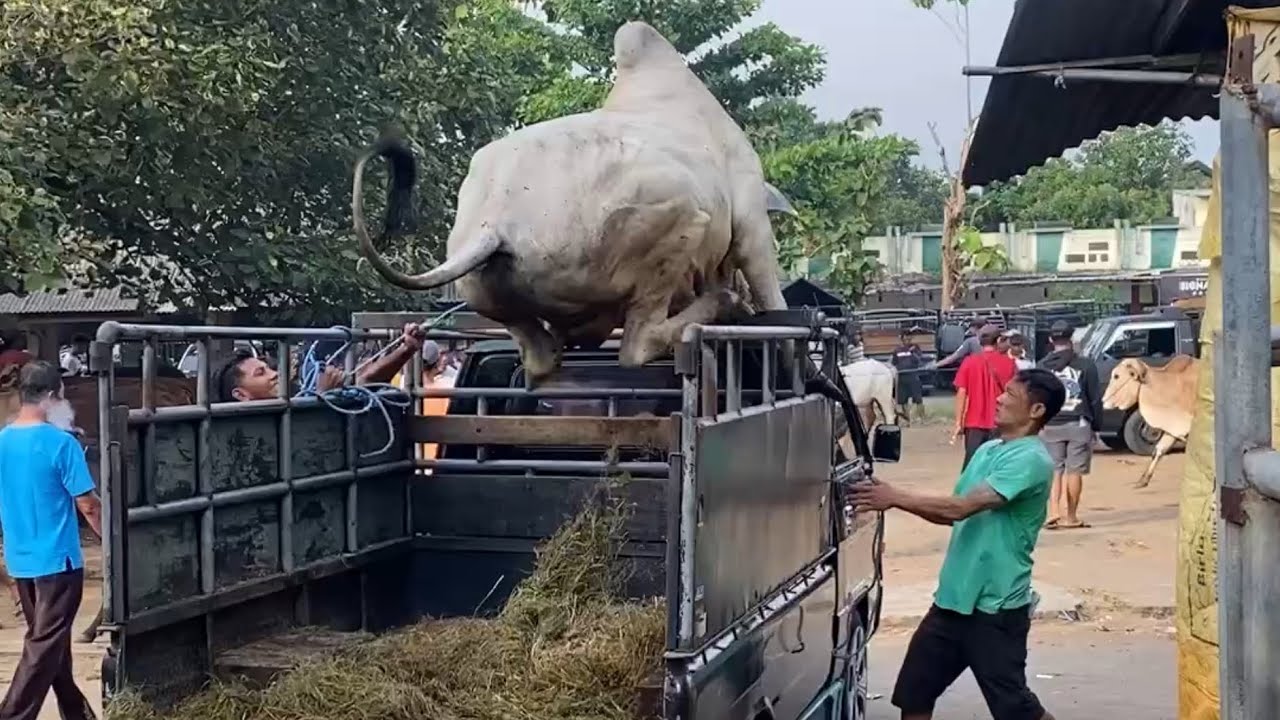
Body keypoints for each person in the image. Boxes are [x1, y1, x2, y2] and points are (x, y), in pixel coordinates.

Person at [849, 368, 1066, 720]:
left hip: (995, 607)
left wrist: (893, 496)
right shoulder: (989, 450)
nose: (999, 399)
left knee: (1015, 708)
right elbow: (950, 513)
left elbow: (964, 507)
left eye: (1010, 395)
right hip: (953, 601)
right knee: (913, 695)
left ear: (1036, 411)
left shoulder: (1031, 459)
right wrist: (891, 499)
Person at [0, 361, 101, 720]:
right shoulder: (62, 444)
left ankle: (76, 712)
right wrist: (115, 538)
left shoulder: (3, 440)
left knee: (50, 642)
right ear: (53, 395)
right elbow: (88, 504)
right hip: (58, 561)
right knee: (43, 646)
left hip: (21, 559)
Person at [217, 323, 424, 402]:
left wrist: (407, 348)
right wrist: (322, 398)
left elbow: (364, 384)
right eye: (260, 373)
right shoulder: (247, 429)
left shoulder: (295, 398)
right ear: (241, 394)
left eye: (269, 368)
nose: (274, 373)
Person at [1038, 320, 1103, 530]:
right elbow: (1094, 398)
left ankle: (1054, 511)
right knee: (1074, 471)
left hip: (1051, 424)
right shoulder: (1085, 365)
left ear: (1050, 340)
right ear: (1072, 339)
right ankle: (1071, 516)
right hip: (1079, 423)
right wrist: (1097, 426)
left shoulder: (1042, 366)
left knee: (1055, 469)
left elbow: (1038, 397)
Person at [952, 325, 1016, 469]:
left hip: (973, 423)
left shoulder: (969, 362)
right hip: (1000, 422)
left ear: (979, 341)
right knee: (997, 465)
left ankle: (968, 491)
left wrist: (958, 423)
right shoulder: (1009, 363)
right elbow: (1014, 394)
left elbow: (961, 393)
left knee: (972, 466)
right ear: (998, 340)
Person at [891, 328, 927, 425]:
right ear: (901, 338)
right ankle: (908, 420)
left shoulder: (915, 348)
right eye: (905, 336)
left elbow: (919, 360)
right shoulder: (897, 350)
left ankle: (922, 419)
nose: (907, 338)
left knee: (918, 399)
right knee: (903, 401)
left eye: (909, 336)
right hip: (902, 377)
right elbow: (894, 363)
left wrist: (912, 353)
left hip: (913, 376)